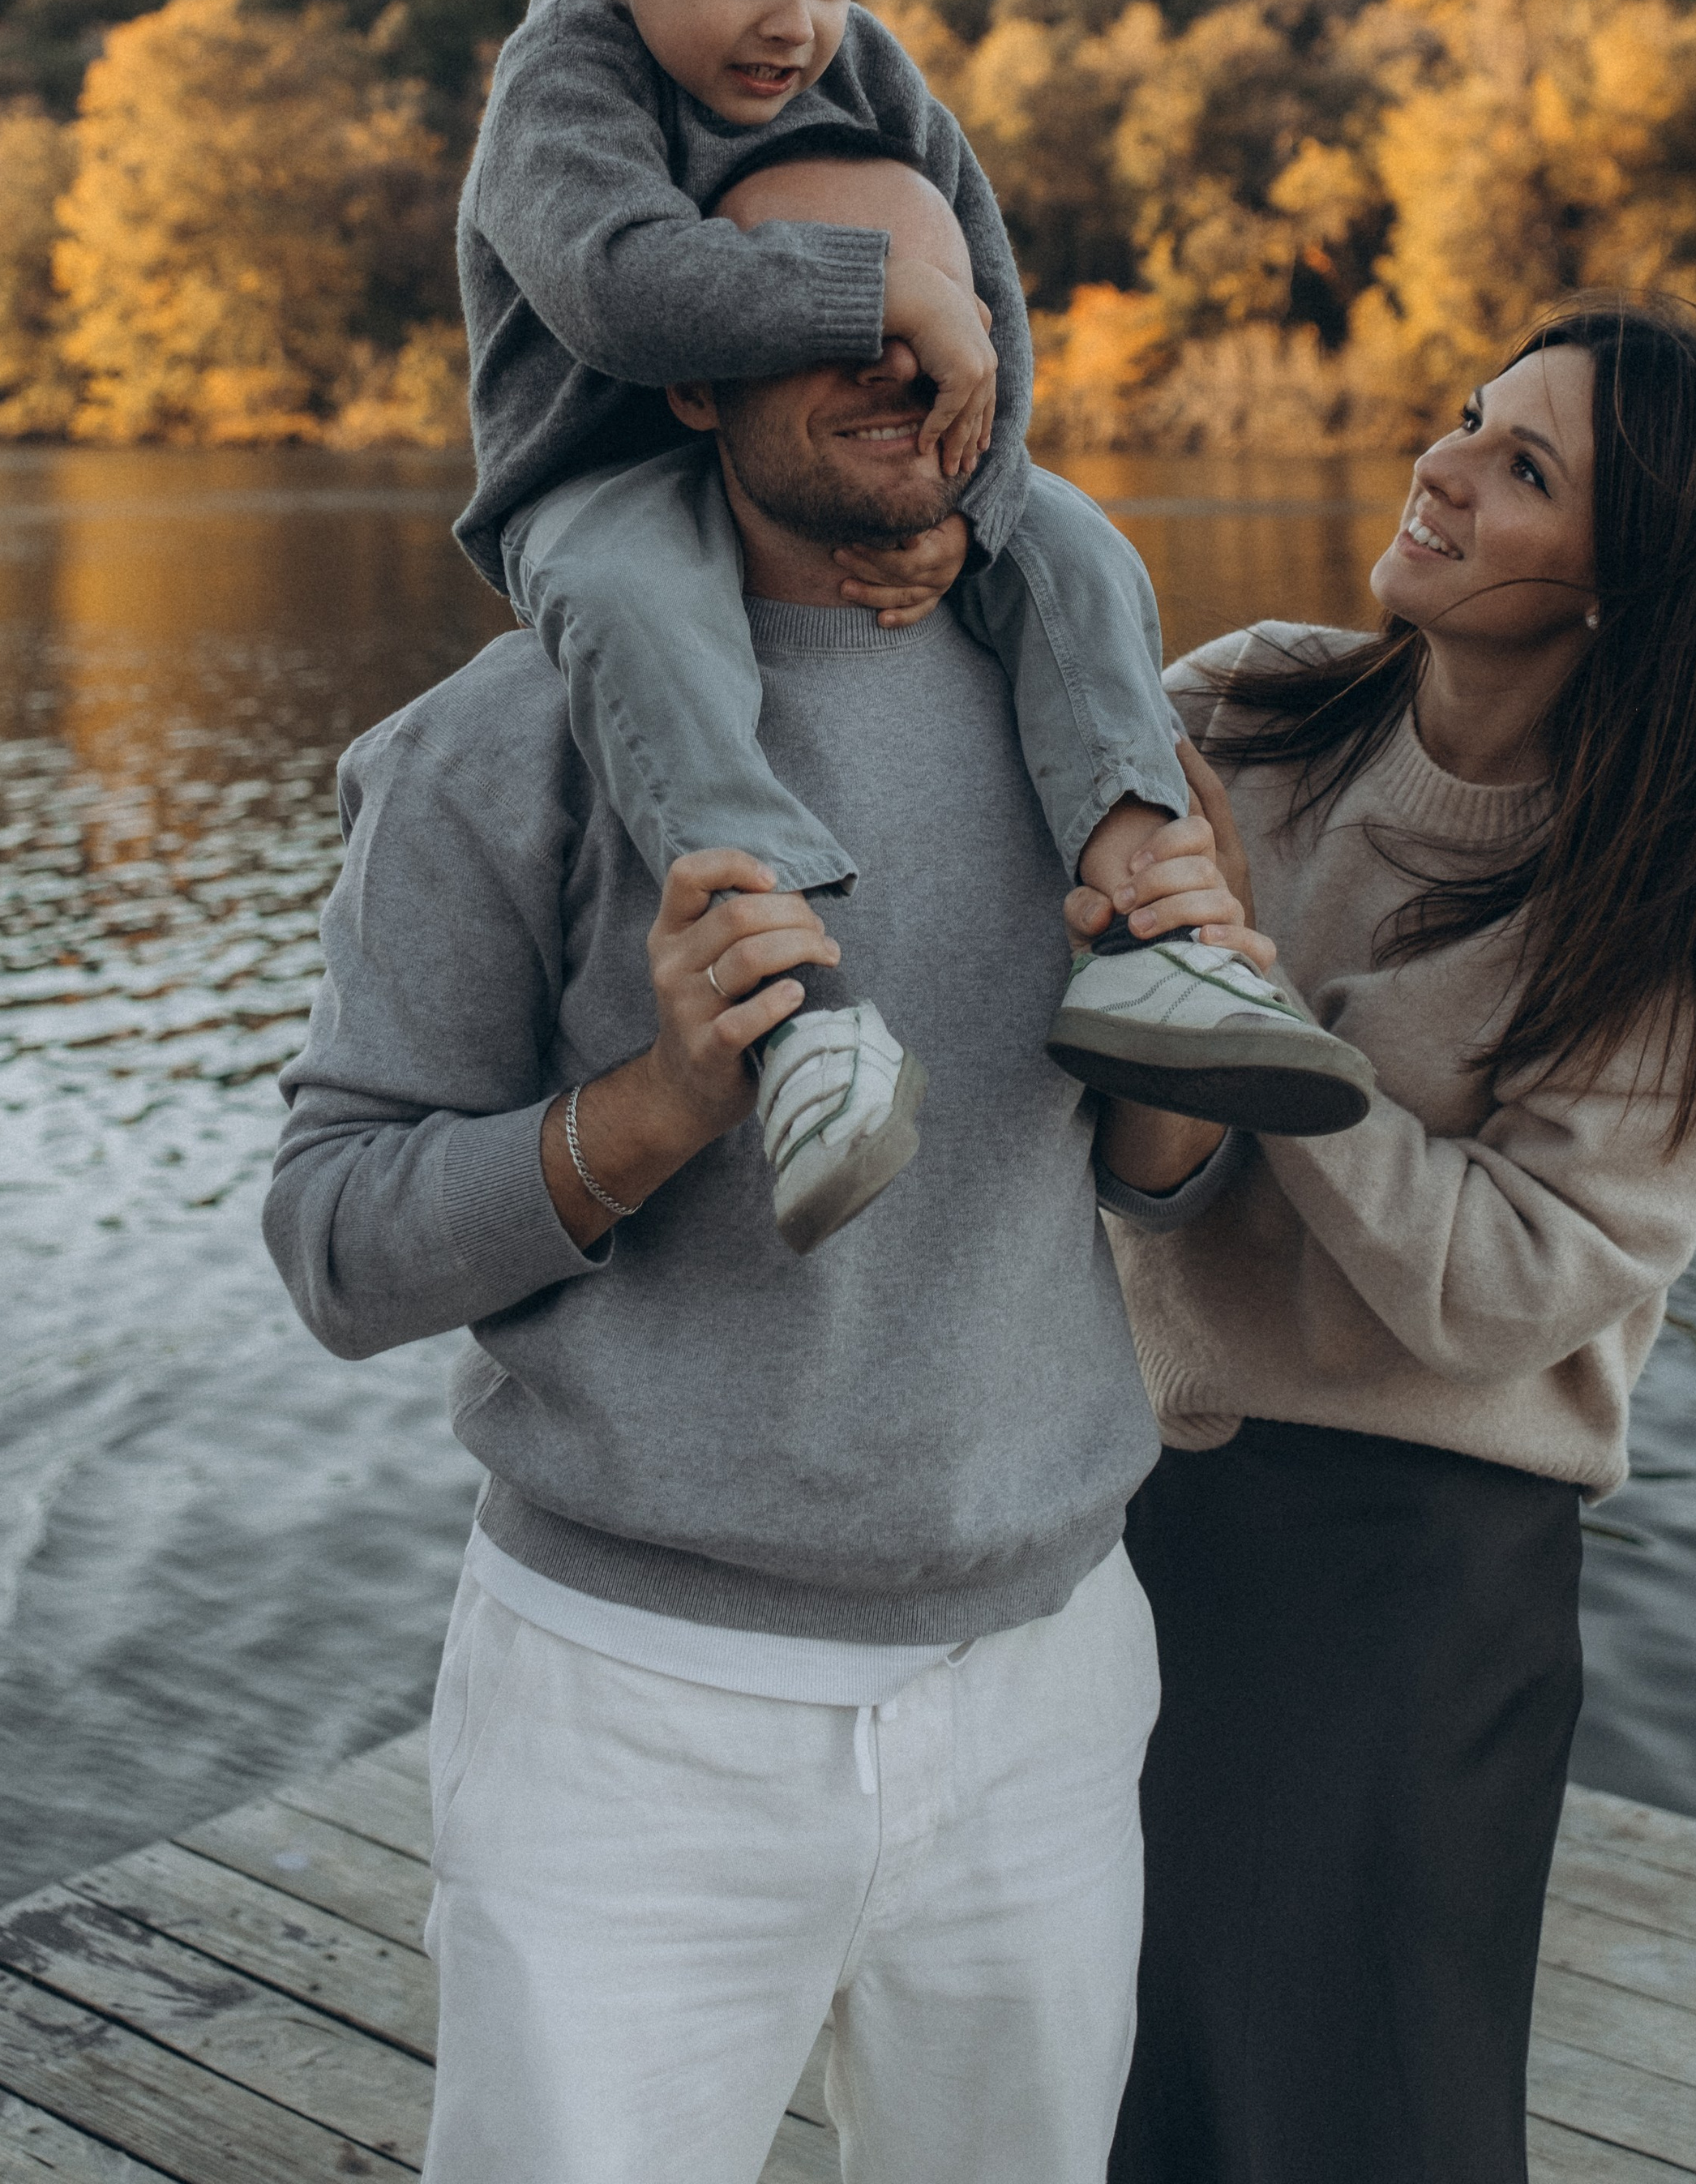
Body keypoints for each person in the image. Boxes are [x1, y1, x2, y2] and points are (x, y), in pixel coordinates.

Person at [268, 152, 1283, 2184]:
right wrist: (652, 1108)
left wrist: (1200, 1011)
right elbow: (337, 1245)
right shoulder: (504, 742)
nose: (900, 353)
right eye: (828, 312)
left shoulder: (1092, 731)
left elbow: (1153, 1191)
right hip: (635, 1717)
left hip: (1048, 1688)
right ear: (689, 379)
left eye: (932, 305)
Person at [455, 0, 1360, 1246]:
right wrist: (872, 295)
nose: (792, 23)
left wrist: (974, 495)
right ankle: (799, 1006)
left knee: (1077, 549)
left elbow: (986, 296)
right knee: (630, 602)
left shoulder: (865, 70)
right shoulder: (570, 78)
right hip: (598, 480)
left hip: (830, 470)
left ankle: (1148, 910)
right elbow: (615, 285)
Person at [1095, 298, 1696, 2184]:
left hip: (1404, 1585)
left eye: (1523, 468)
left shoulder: (1664, 918)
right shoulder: (1232, 711)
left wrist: (1259, 1018)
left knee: (1347, 2122)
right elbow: (1092, 1095)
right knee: (1110, 2083)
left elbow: (1501, 1288)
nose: (1442, 467)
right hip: (1110, 1507)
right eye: (1468, 421)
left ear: (1619, 581)